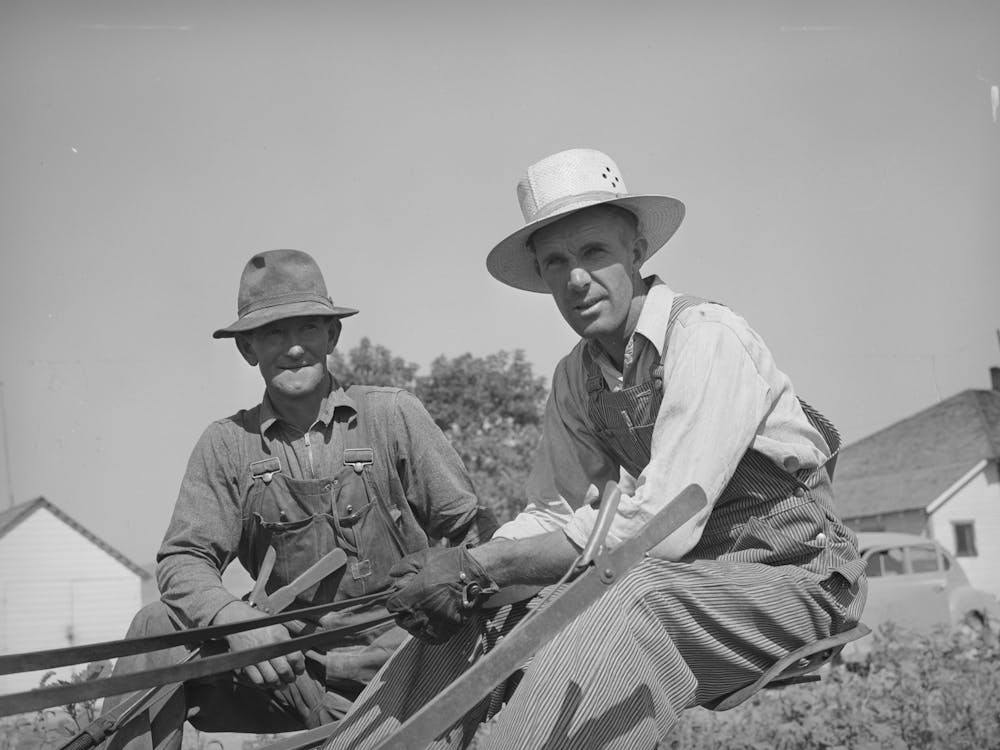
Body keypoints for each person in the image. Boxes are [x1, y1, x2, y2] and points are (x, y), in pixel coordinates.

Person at [323, 149, 868, 749]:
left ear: (636, 251)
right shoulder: (575, 378)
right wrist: (467, 577)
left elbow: (663, 529)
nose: (575, 278)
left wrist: (483, 565)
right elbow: (553, 512)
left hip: (794, 583)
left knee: (623, 597)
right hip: (688, 581)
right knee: (479, 612)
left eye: (593, 252)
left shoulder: (706, 337)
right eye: (556, 261)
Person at [101, 249, 497, 750]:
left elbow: (474, 534)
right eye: (273, 333)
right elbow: (184, 558)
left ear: (332, 335)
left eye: (308, 328)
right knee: (155, 628)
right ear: (248, 349)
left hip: (407, 668)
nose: (293, 349)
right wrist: (235, 620)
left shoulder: (393, 416)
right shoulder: (227, 444)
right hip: (291, 672)